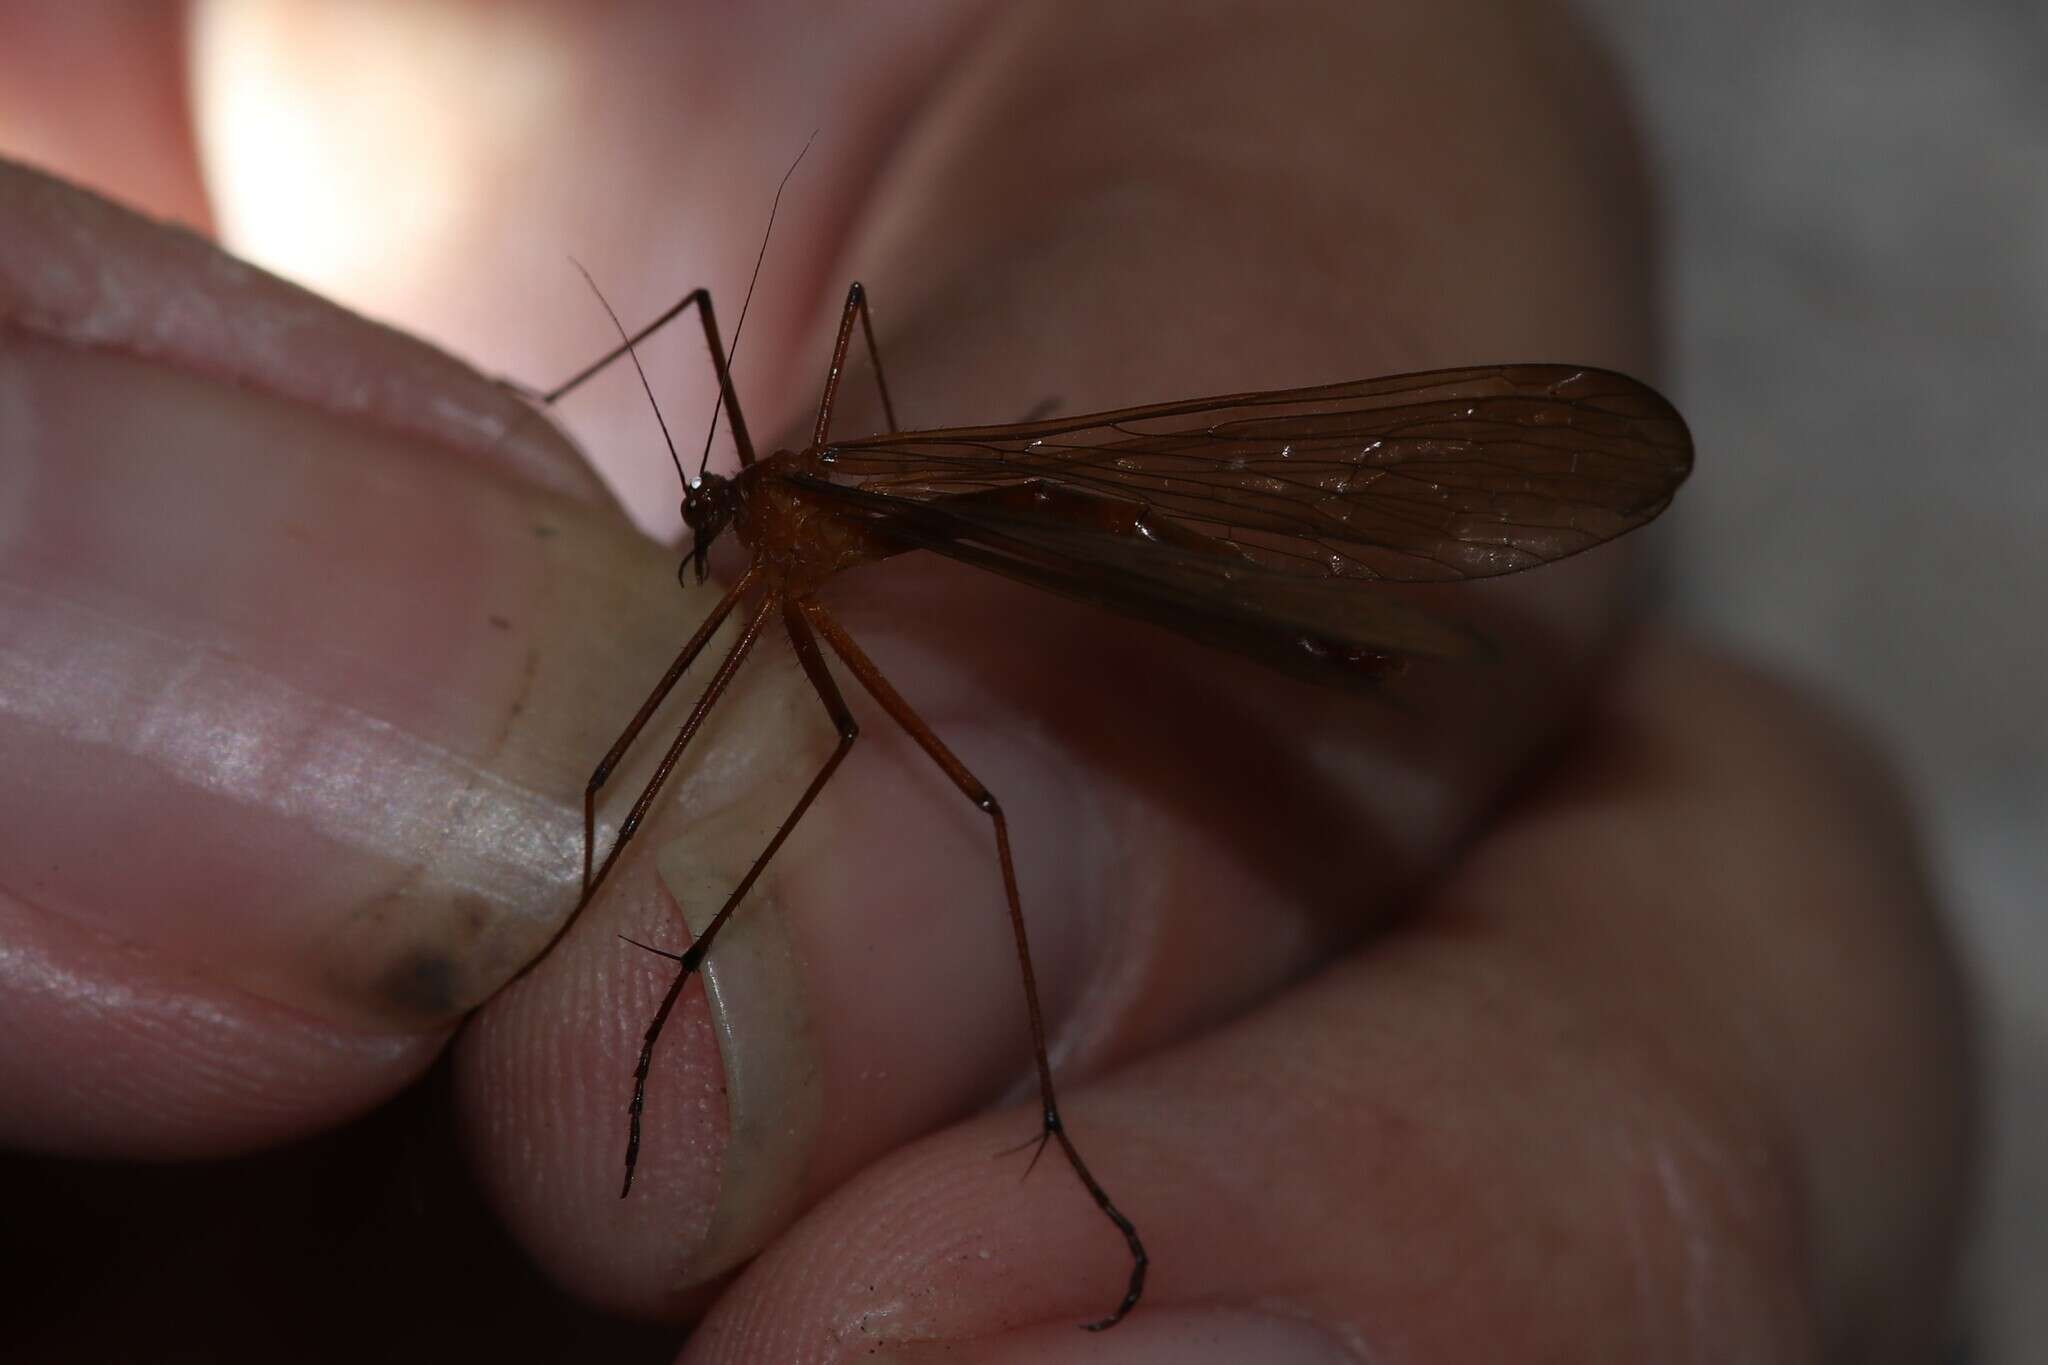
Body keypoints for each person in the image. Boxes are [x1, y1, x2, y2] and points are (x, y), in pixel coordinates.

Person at [0, 2, 1974, 1359]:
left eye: (724, 505)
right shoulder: (779, 496)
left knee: (946, 787)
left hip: (1099, 522)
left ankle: (1042, 1128)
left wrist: (666, 948)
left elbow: (816, 691)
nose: (713, 516)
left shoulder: (815, 517)